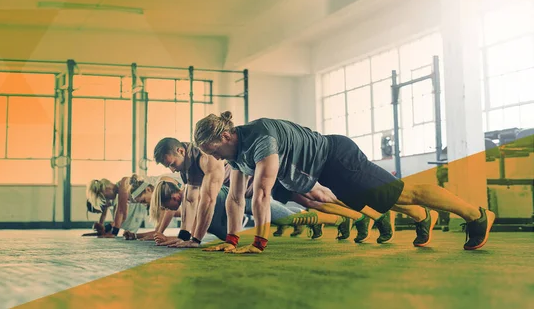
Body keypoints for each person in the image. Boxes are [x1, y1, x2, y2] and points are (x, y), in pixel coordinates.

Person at [194, 112, 495, 253]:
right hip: (325, 170)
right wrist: (232, 240)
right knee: (384, 200)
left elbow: (260, 194)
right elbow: (235, 198)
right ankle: (421, 216)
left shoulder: (260, 138)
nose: (215, 159)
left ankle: (477, 215)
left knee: (404, 191)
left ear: (225, 136)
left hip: (337, 157)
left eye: (213, 151)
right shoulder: (235, 155)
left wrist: (258, 243)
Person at [152, 138, 328, 246]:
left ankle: (324, 218)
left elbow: (208, 199)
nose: (172, 171)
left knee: (300, 207)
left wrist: (194, 240)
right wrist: (183, 236)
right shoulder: (184, 168)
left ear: (181, 151)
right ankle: (308, 216)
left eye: (172, 164)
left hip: (251, 186)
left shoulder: (205, 157)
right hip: (235, 194)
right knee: (294, 209)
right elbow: (189, 201)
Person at [85, 173, 181, 240]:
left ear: (107, 188)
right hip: (157, 194)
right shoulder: (123, 195)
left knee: (176, 211)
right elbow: (157, 233)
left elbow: (122, 212)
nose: (108, 199)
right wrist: (134, 236)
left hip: (165, 187)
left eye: (106, 197)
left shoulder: (124, 183)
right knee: (174, 213)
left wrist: (112, 233)